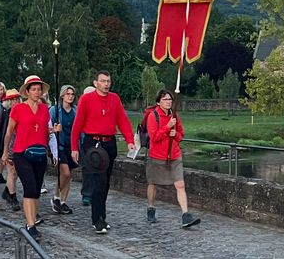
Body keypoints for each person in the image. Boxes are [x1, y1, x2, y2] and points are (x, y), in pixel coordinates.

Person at [71, 70, 137, 234]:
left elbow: (122, 120)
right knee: (98, 181)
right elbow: (78, 124)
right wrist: (74, 147)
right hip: (93, 144)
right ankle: (97, 219)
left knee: (106, 182)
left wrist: (129, 140)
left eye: (108, 81)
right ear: (96, 83)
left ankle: (102, 216)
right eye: (103, 81)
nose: (106, 84)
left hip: (109, 143)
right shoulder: (86, 99)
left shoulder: (114, 99)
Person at [144, 90, 202, 228]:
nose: (168, 101)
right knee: (153, 183)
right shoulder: (153, 116)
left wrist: (175, 134)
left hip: (174, 155)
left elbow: (181, 135)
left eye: (170, 99)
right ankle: (151, 208)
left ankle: (186, 215)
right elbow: (154, 138)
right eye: (165, 99)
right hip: (157, 156)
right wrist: (167, 127)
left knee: (180, 184)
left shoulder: (175, 116)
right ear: (158, 102)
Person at [3, 75, 51, 240]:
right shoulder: (18, 109)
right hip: (22, 153)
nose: (37, 93)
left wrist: (52, 132)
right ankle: (30, 225)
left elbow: (43, 130)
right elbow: (9, 132)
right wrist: (4, 152)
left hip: (40, 152)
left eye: (39, 90)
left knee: (36, 190)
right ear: (27, 92)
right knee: (29, 188)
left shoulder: (45, 109)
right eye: (34, 90)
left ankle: (33, 218)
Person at [0, 88, 21, 211]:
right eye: (13, 99)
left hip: (18, 147)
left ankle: (7, 192)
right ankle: (13, 197)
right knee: (12, 172)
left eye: (17, 98)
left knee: (15, 173)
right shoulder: (2, 113)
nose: (16, 101)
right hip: (6, 147)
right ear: (8, 101)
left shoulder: (21, 112)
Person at [50, 85, 77, 215]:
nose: (70, 96)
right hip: (59, 145)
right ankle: (56, 196)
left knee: (69, 175)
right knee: (64, 173)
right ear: (62, 95)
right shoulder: (55, 111)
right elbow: (49, 127)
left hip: (71, 146)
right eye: (68, 94)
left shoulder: (75, 111)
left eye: (72, 94)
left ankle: (63, 201)